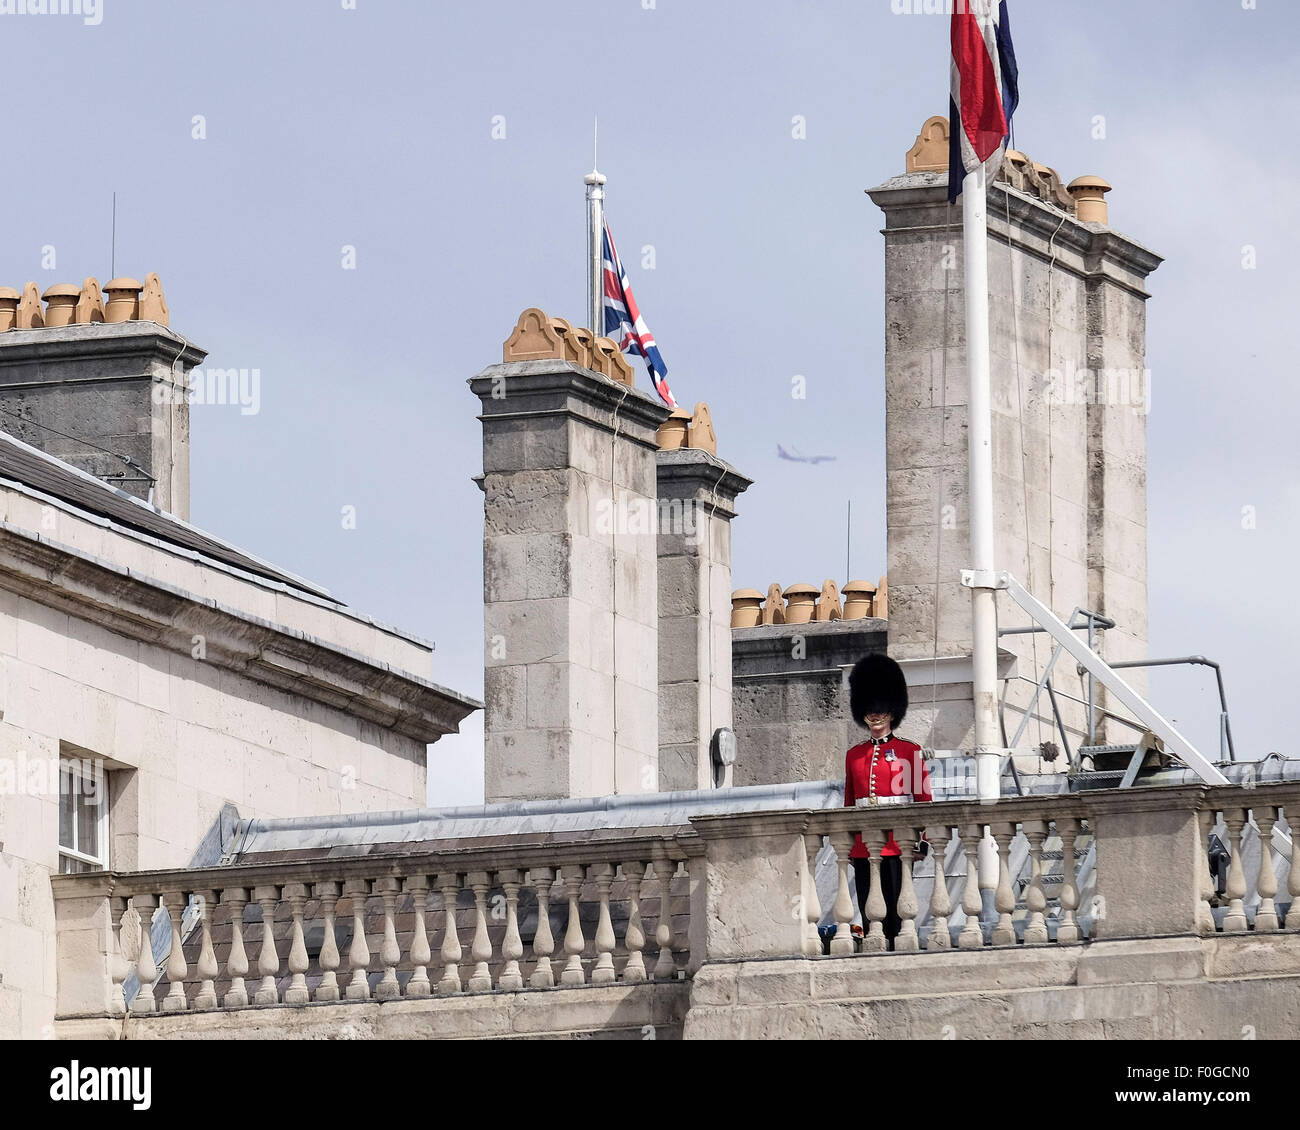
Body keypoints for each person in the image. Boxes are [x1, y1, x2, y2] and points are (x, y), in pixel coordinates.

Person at [844, 653, 932, 950]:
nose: (875, 715)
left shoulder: (910, 751)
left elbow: (922, 798)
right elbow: (849, 803)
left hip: (897, 842)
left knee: (897, 909)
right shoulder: (854, 755)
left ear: (892, 712)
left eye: (880, 709)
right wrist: (849, 843)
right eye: (870, 709)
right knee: (869, 910)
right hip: (863, 845)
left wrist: (922, 841)